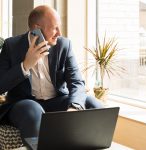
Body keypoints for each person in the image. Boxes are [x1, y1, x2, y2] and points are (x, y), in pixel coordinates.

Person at [0, 5, 103, 138]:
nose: (59, 33)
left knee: (94, 105)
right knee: (34, 110)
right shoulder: (11, 46)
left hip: (57, 100)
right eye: (55, 28)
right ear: (37, 29)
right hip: (24, 103)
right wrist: (25, 65)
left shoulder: (63, 45)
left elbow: (77, 81)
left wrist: (75, 107)